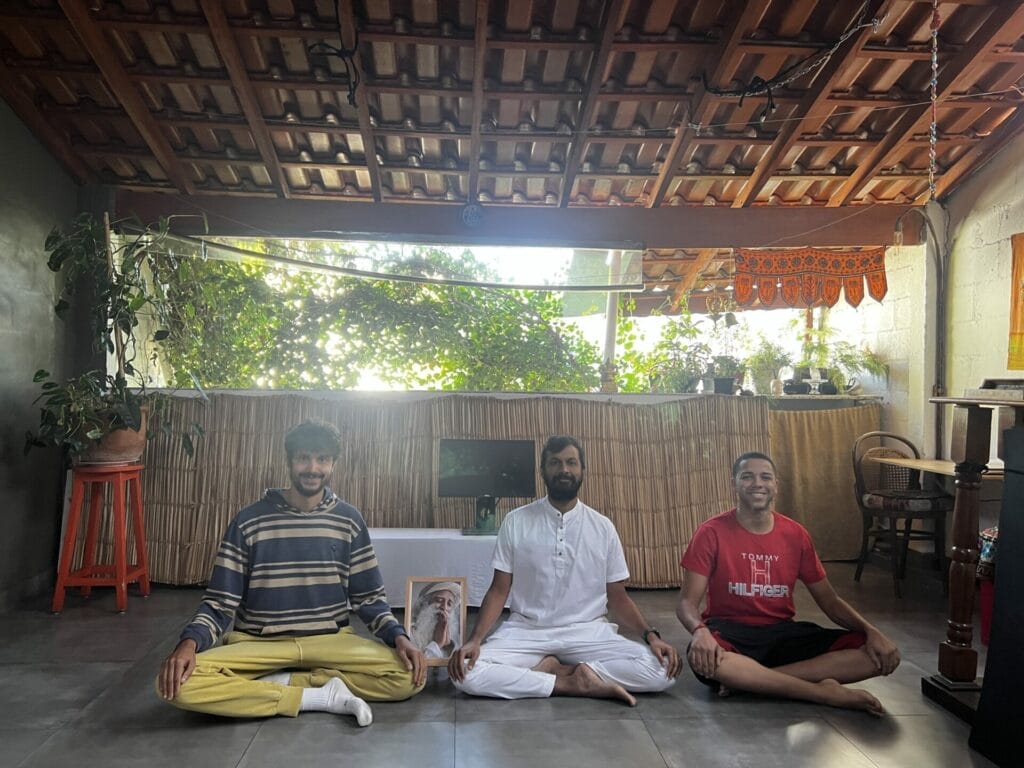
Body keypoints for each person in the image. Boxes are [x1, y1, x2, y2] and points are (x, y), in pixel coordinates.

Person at [156, 421, 425, 726]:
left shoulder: (349, 520)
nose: (313, 468)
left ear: (333, 464)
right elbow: (220, 602)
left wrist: (399, 637)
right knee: (178, 685)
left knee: (408, 676)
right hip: (259, 645)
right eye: (303, 458)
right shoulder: (249, 521)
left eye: (322, 459)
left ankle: (278, 683)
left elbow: (369, 599)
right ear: (288, 461)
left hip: (330, 643)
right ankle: (319, 695)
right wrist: (188, 645)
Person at [448, 435, 681, 705]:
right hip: (527, 632)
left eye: (571, 462)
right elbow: (500, 590)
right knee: (464, 672)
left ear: (583, 470)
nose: (564, 470)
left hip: (588, 632)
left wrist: (651, 637)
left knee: (663, 671)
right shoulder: (516, 521)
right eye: (555, 463)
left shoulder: (602, 526)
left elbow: (618, 596)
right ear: (543, 471)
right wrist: (475, 640)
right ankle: (570, 680)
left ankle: (556, 674)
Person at [676, 451, 900, 716]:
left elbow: (829, 601)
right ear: (733, 483)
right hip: (730, 633)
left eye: (765, 477)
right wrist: (700, 631)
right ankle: (821, 693)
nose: (757, 483)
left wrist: (872, 631)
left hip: (782, 634)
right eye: (747, 477)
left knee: (876, 655)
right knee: (706, 661)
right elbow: (686, 603)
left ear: (775, 485)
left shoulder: (795, 534)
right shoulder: (711, 532)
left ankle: (753, 682)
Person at [410, 581, 461, 659]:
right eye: (439, 600)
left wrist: (447, 647)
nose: (444, 607)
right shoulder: (410, 633)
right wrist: (437, 644)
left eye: (449, 604)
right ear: (425, 604)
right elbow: (416, 665)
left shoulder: (455, 639)